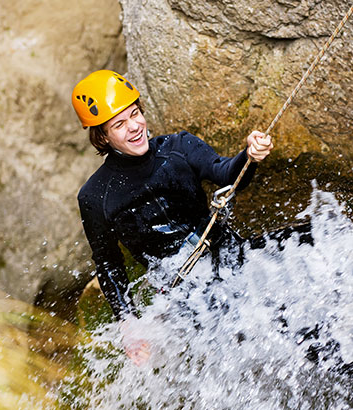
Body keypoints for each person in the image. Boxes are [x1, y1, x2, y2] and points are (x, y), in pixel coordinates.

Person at [72, 70, 273, 364]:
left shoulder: (178, 147)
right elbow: (108, 263)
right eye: (120, 124)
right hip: (186, 294)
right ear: (102, 136)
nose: (134, 126)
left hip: (229, 258)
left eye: (135, 113)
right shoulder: (95, 196)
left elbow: (227, 174)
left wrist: (249, 156)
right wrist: (129, 324)